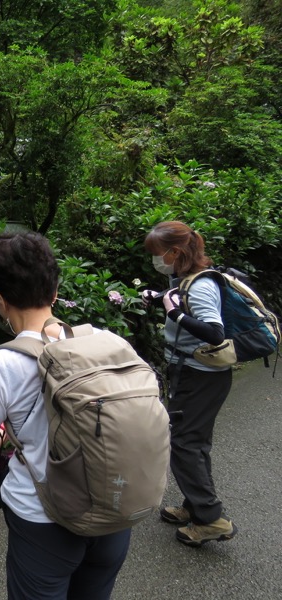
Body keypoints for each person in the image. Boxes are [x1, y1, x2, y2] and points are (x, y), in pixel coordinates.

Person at [0, 232, 131, 600]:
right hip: (113, 509)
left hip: (44, 520)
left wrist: (7, 432)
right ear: (54, 291)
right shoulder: (105, 341)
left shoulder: (2, 362)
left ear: (0, 301)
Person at [143, 220, 237, 547]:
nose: (156, 260)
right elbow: (179, 301)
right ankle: (194, 505)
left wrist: (175, 315)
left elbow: (214, 332)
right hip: (193, 373)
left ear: (176, 252)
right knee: (194, 442)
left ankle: (211, 519)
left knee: (183, 444)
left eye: (158, 254)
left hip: (201, 377)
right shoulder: (184, 280)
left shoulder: (200, 285)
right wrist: (159, 297)